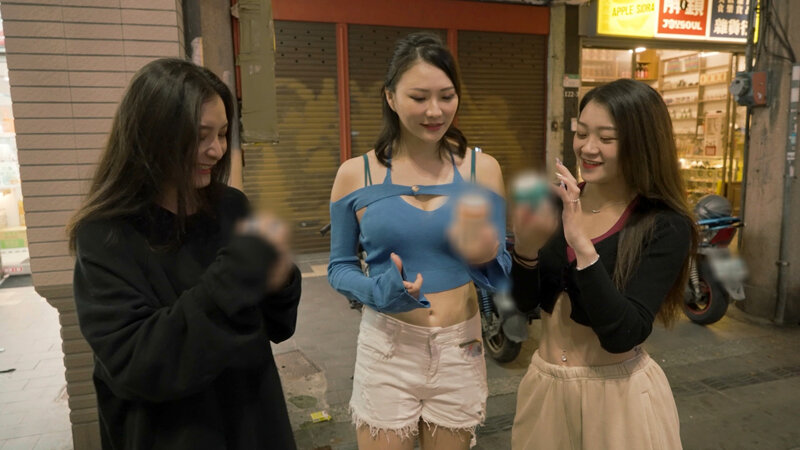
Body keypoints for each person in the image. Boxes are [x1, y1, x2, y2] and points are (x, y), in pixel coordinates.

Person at [67, 58, 301, 450]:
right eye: (199, 135)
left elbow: (275, 326)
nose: (216, 150)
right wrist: (236, 277)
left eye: (222, 134)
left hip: (253, 420)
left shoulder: (231, 206)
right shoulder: (106, 233)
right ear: (150, 134)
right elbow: (137, 364)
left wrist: (280, 280)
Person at [328, 32, 510, 449]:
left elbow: (501, 273)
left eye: (446, 96)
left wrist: (485, 259)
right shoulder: (355, 174)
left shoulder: (483, 170)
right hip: (387, 348)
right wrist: (377, 291)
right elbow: (339, 267)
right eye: (419, 97)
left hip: (461, 348)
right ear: (390, 97)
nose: (435, 111)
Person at [510, 79, 696, 450]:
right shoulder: (557, 201)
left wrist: (582, 245)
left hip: (617, 398)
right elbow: (525, 304)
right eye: (581, 133)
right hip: (545, 389)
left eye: (606, 138)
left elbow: (624, 333)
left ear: (642, 143)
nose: (587, 148)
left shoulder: (664, 224)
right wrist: (525, 251)